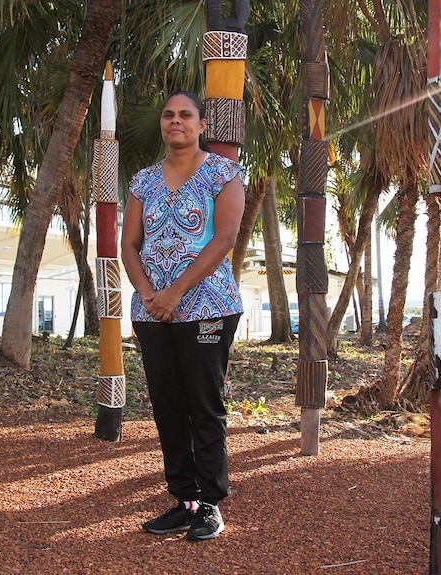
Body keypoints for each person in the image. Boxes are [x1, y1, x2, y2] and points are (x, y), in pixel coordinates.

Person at [121, 91, 245, 541]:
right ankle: (184, 500)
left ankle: (210, 503)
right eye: (169, 115)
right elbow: (129, 245)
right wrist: (150, 294)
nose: (176, 121)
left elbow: (224, 238)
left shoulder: (223, 173)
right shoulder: (143, 181)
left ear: (202, 124)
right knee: (167, 408)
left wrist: (175, 291)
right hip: (153, 313)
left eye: (185, 115)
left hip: (207, 307)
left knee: (204, 406)